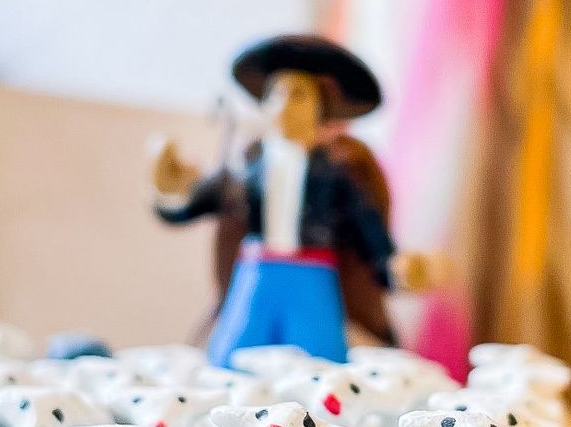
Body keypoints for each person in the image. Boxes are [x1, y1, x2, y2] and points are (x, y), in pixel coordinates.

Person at [151, 35, 433, 366]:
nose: (284, 105)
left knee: (320, 361)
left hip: (312, 277)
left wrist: (394, 268)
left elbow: (369, 230)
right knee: (231, 359)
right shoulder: (245, 167)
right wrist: (170, 190)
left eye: (298, 95)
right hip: (256, 274)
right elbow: (190, 206)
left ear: (320, 110)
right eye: (276, 94)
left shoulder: (338, 173)